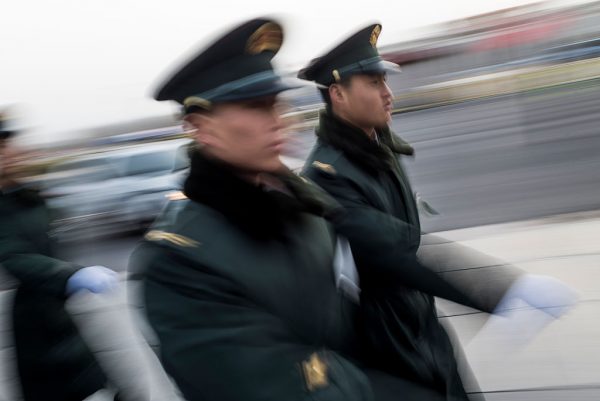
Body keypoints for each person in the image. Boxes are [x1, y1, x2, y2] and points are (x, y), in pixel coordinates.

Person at [128, 18, 500, 401]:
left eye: (277, 103)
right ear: (200, 127)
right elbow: (272, 383)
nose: (279, 120)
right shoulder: (178, 260)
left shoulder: (299, 204)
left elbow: (352, 308)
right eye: (255, 106)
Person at [298, 24, 578, 401]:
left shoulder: (378, 148)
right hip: (386, 354)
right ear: (338, 94)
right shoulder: (326, 177)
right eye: (374, 83)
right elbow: (398, 250)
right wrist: (502, 290)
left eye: (385, 81)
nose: (388, 93)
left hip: (426, 334)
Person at [0, 113, 120, 401]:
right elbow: (13, 255)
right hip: (37, 320)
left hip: (62, 310)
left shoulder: (26, 196)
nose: (9, 153)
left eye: (7, 144)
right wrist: (70, 275)